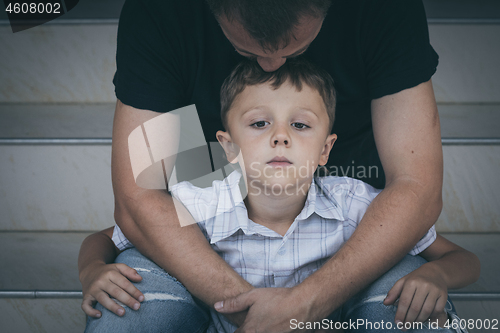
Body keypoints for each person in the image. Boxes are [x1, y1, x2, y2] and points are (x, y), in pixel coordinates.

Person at [104, 0, 448, 331]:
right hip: (204, 215)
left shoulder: (383, 8)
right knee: (130, 312)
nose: (271, 66)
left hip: (356, 222)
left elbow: (416, 187)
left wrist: (302, 308)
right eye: (247, 52)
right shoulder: (160, 10)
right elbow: (139, 198)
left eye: (295, 51)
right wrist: (259, 316)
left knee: (409, 314)